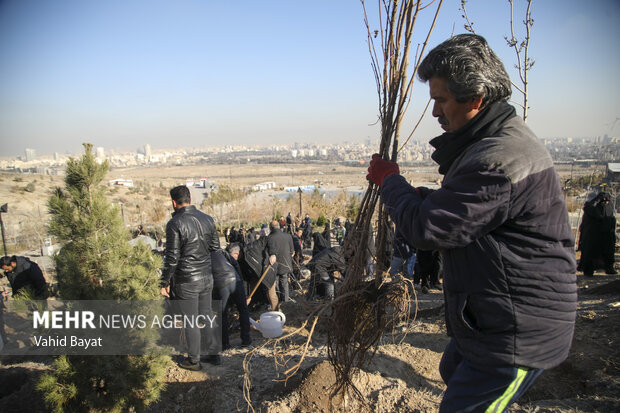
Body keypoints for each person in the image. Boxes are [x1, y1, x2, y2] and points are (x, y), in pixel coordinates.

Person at [366, 34, 577, 412]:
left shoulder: (497, 159)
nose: (434, 113)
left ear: (475, 99)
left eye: (441, 100)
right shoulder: (495, 142)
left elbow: (426, 230)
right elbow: (473, 211)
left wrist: (390, 181)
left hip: (517, 333)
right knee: (451, 368)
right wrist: (420, 196)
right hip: (494, 315)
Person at [160, 185, 221, 370]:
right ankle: (213, 354)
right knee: (207, 314)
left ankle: (194, 361)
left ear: (173, 202)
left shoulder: (175, 224)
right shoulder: (207, 219)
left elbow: (172, 258)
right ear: (190, 199)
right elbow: (215, 248)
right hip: (206, 276)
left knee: (190, 320)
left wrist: (163, 282)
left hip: (187, 279)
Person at [211, 244, 251, 350]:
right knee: (243, 309)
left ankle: (225, 344)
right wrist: (240, 282)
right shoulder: (221, 251)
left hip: (220, 284)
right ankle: (246, 339)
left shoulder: (202, 255)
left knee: (221, 313)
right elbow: (236, 264)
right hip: (235, 279)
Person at [579, 191, 617, 276]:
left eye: (606, 201)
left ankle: (609, 268)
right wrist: (598, 199)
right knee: (591, 254)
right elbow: (590, 208)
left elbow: (610, 218)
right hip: (593, 236)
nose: (605, 203)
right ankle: (588, 270)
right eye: (603, 201)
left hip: (606, 235)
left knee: (607, 253)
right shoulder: (592, 207)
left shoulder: (608, 207)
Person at [266, 221, 295, 304]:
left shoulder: (270, 237)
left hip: (274, 265)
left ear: (271, 228)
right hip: (286, 264)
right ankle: (286, 301)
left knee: (276, 283)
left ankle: (278, 300)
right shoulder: (288, 236)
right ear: (279, 227)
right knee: (285, 282)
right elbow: (292, 252)